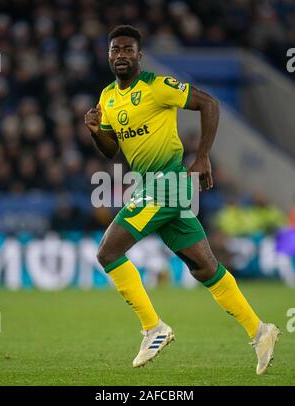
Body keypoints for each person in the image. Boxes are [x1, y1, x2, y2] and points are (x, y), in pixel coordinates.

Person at [84, 25, 280, 374]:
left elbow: (209, 103)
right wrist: (98, 132)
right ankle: (260, 330)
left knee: (107, 252)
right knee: (205, 267)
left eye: (128, 49)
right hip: (153, 186)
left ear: (139, 55)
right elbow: (112, 151)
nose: (122, 55)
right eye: (116, 50)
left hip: (167, 183)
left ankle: (153, 328)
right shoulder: (108, 98)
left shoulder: (157, 86)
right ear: (109, 55)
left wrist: (202, 156)